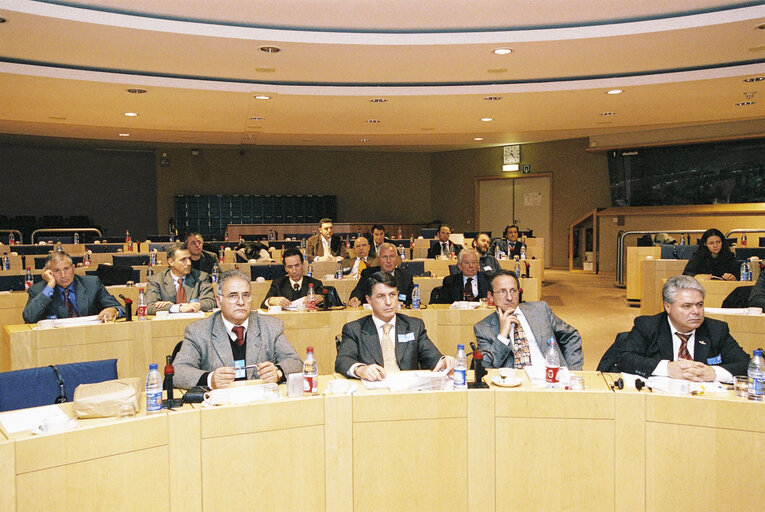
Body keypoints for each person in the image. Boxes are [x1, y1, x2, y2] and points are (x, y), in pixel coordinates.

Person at [173, 269, 303, 389]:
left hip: (260, 403)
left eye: (246, 295)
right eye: (233, 296)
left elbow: (296, 363)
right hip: (220, 407)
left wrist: (278, 372)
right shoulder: (198, 331)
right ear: (219, 300)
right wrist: (210, 379)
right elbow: (178, 372)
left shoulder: (271, 326)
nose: (241, 302)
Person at [614, 275, 749, 381]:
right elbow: (624, 358)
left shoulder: (717, 330)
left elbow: (746, 364)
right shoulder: (648, 325)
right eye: (687, 306)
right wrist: (667, 369)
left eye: (700, 305)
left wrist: (713, 372)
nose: (696, 311)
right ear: (668, 307)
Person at [336, 271, 452, 380]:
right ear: (369, 300)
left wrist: (443, 361)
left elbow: (431, 357)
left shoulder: (414, 326)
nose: (388, 302)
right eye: (381, 296)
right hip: (373, 394)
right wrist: (360, 369)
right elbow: (343, 360)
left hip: (407, 393)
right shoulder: (354, 329)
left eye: (392, 295)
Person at [474, 270, 583, 369]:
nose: (509, 297)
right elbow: (485, 366)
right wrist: (502, 336)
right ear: (491, 296)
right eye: (502, 291)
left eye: (513, 291)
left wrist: (574, 371)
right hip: (515, 385)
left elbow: (571, 336)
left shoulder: (540, 310)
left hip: (550, 378)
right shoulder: (483, 328)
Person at [22, 252, 124, 323]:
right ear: (48, 272)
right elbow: (29, 317)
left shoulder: (92, 284)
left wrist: (113, 310)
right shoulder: (39, 290)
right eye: (57, 271)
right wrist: (50, 286)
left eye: (66, 269)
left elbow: (121, 308)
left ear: (73, 268)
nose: (63, 275)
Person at [146, 243, 216, 315]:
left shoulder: (201, 277)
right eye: (183, 260)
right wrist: (178, 308)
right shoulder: (156, 280)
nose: (189, 263)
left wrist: (189, 306)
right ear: (171, 262)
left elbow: (210, 302)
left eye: (189, 259)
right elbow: (149, 307)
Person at [348, 243, 414, 307]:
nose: (388, 260)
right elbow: (358, 292)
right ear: (378, 259)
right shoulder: (368, 274)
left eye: (392, 256)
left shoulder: (406, 277)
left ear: (397, 258)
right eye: (385, 257)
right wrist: (354, 299)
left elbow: (413, 301)